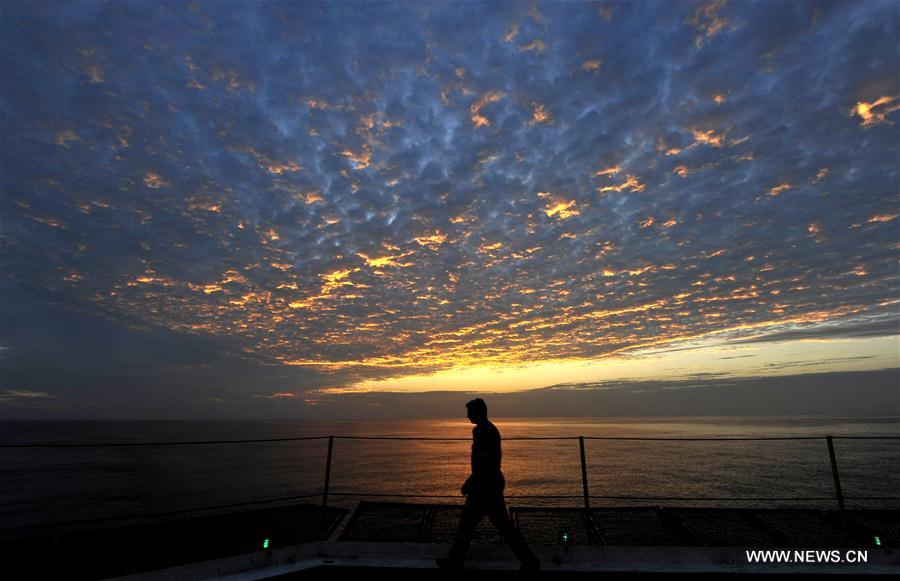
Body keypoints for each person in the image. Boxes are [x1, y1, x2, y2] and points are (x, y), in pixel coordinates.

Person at [436, 398, 540, 573]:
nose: (467, 415)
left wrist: (471, 482)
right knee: (493, 526)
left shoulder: (483, 431)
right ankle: (529, 560)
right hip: (488, 484)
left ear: (478, 412)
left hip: (485, 486)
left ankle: (455, 560)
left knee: (473, 524)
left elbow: (485, 462)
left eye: (470, 412)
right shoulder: (487, 429)